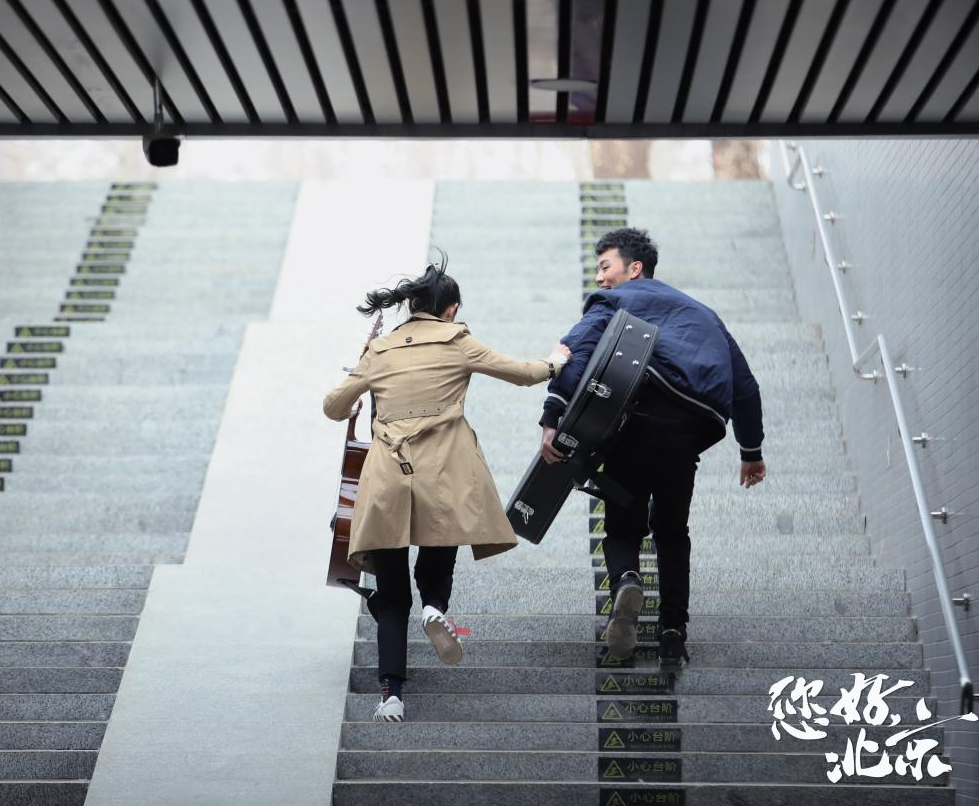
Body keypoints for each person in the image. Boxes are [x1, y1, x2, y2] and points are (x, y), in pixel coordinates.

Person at [324, 258, 570, 722]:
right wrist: (556, 362)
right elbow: (521, 372)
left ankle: (391, 696)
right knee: (438, 558)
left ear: (411, 306)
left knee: (391, 591)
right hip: (445, 475)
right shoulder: (459, 343)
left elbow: (334, 407)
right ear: (451, 310)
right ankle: (436, 607)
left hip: (388, 479)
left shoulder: (381, 350)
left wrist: (365, 366)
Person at [538, 227, 766, 671]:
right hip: (692, 428)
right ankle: (672, 637)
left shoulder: (616, 301)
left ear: (634, 268)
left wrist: (553, 416)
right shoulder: (704, 314)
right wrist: (751, 450)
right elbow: (746, 385)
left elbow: (575, 349)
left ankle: (626, 582)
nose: (601, 278)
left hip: (639, 421)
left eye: (606, 267)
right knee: (672, 533)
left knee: (623, 527)